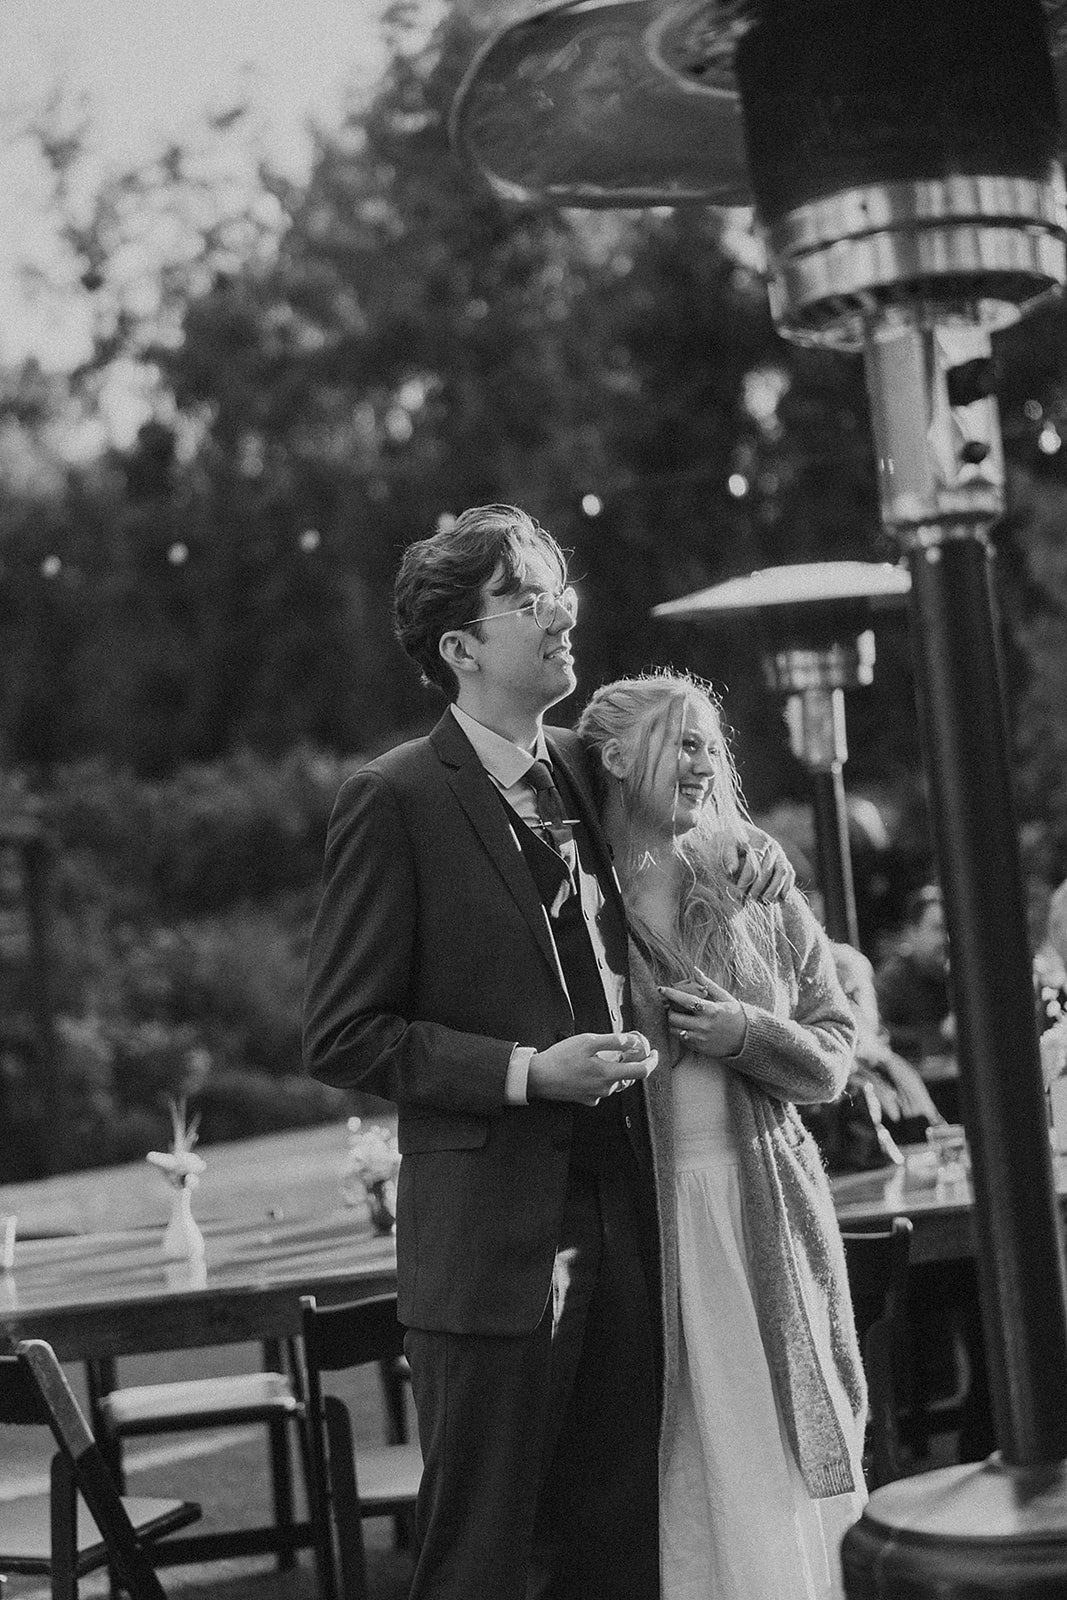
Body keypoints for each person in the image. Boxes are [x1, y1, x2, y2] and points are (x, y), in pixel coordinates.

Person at [302, 505, 792, 1600]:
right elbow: (342, 1033)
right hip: (490, 1256)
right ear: (460, 648)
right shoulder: (392, 801)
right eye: (526, 597)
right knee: (478, 1560)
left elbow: (705, 808)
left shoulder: (590, 764)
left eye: (556, 586)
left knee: (617, 1548)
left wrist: (755, 851)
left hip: (633, 1219)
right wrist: (528, 1072)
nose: (560, 609)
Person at [576, 672, 866, 1600]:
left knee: (782, 1455)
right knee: (689, 1466)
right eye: (682, 742)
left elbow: (829, 1057)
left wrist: (748, 1033)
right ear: (615, 759)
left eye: (711, 744)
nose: (704, 762)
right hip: (646, 1229)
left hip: (765, 1213)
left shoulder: (749, 875)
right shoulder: (574, 897)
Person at [832, 941, 942, 1146]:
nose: (847, 1010)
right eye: (836, 997)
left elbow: (940, 1135)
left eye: (853, 995)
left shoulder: (894, 1067)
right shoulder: (828, 1086)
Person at [874, 884, 955, 1067]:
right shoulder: (893, 979)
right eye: (938, 929)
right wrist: (940, 1035)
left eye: (951, 929)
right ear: (913, 933)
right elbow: (876, 1033)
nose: (946, 939)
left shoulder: (957, 976)